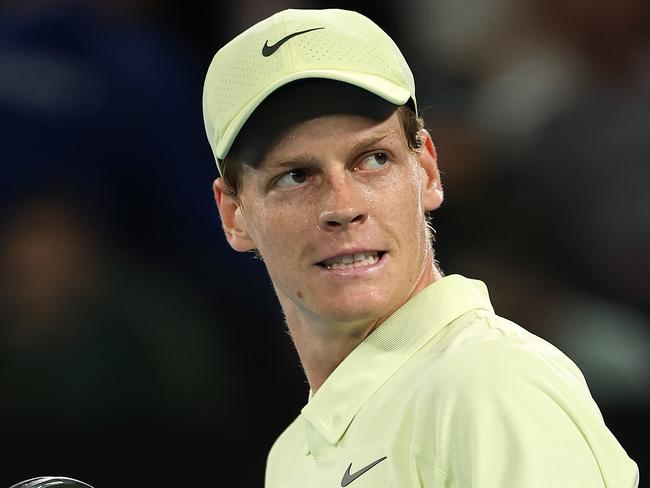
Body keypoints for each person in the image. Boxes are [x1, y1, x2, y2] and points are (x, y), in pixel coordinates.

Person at [201, 8, 639, 487]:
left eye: (372, 159)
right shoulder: (290, 456)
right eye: (295, 176)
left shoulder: (491, 384)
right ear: (234, 215)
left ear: (427, 171)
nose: (343, 207)